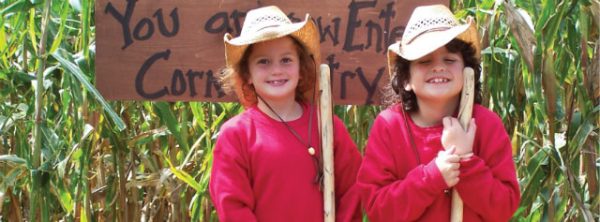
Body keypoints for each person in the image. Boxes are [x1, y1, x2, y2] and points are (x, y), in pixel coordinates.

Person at [357, 4, 520, 221]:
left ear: (467, 71)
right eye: (425, 61)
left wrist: (466, 160)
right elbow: (378, 209)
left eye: (450, 60)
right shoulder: (389, 126)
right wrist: (433, 176)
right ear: (405, 80)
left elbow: (504, 207)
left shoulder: (485, 124)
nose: (438, 67)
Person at [209, 6, 362, 222]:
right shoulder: (236, 135)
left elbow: (353, 190)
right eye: (263, 61)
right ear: (247, 74)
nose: (276, 70)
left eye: (286, 60)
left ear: (301, 68)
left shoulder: (328, 126)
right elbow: (232, 205)